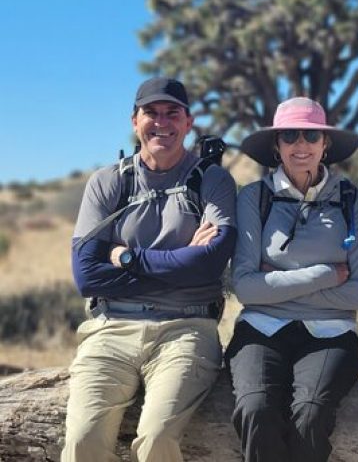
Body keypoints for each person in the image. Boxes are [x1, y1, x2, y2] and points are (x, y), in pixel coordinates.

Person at [63, 77, 237, 462]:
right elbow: (87, 275)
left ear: (188, 122)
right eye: (151, 113)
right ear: (134, 120)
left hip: (187, 329)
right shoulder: (109, 182)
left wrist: (127, 257)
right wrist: (181, 260)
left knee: (157, 437)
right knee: (81, 441)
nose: (162, 122)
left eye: (172, 113)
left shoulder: (212, 180)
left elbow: (209, 264)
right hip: (109, 329)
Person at [227, 97, 358, 462]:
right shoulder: (255, 197)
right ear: (276, 145)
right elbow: (244, 286)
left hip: (332, 332)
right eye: (290, 135)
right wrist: (326, 275)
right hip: (261, 328)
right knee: (255, 409)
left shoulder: (348, 198)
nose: (301, 144)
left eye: (311, 135)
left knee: (310, 414)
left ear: (325, 145)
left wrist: (275, 286)